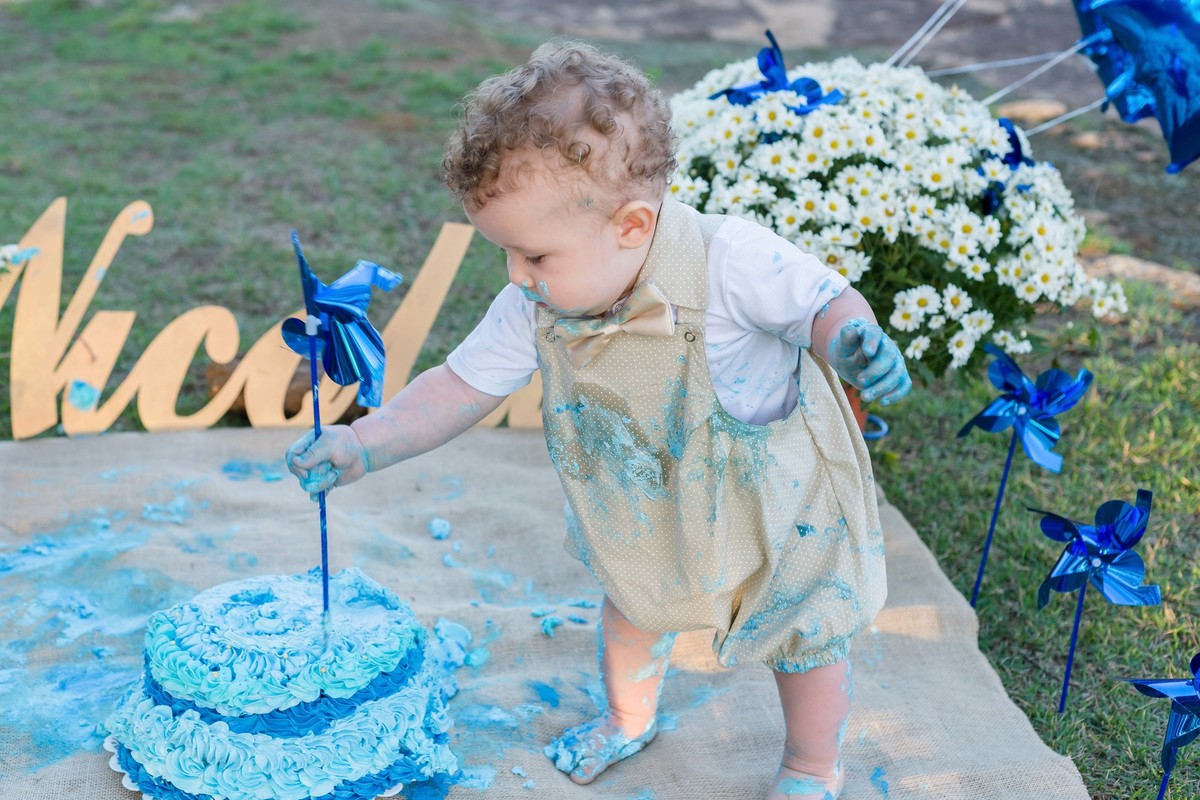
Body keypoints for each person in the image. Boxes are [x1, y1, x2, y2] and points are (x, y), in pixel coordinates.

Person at [287, 40, 911, 800]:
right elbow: (458, 385)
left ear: (630, 225)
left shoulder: (731, 259)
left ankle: (812, 766)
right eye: (508, 255)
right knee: (632, 612)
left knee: (806, 641)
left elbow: (823, 300)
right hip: (647, 502)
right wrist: (364, 442)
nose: (517, 276)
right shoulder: (535, 302)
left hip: (773, 508)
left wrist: (851, 339)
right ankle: (626, 717)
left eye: (534, 255)